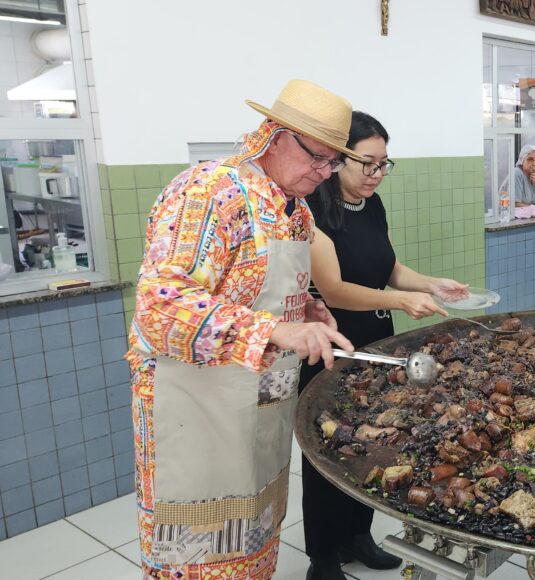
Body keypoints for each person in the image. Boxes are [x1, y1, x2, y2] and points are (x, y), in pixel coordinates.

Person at [127, 80, 359, 578]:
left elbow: (262, 292)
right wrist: (275, 330)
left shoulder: (294, 211)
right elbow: (160, 304)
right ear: (274, 136)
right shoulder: (211, 191)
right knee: (197, 556)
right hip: (195, 406)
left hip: (260, 409)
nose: (323, 174)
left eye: (332, 163)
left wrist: (307, 312)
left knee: (253, 543)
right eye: (317, 157)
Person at [299, 112, 469, 579]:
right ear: (336, 159)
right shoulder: (311, 210)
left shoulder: (371, 205)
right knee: (327, 449)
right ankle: (323, 556)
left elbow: (390, 267)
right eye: (367, 164)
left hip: (379, 341)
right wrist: (401, 299)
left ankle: (358, 535)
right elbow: (333, 288)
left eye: (384, 164)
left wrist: (432, 285)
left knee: (375, 441)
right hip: (333, 343)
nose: (376, 174)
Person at [501, 144, 535, 210]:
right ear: (522, 159)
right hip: (507, 217)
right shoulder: (517, 174)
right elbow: (513, 205)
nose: (534, 164)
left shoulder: (534, 175)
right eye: (530, 159)